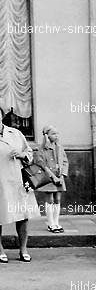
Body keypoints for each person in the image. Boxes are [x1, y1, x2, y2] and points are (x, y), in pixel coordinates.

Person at [0, 108, 40, 262]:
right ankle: (0, 250)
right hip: (1, 181)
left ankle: (23, 249)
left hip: (18, 180)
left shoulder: (15, 134)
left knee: (23, 215)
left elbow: (29, 153)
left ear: (2, 116)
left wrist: (23, 155)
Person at [35, 125, 69, 233]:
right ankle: (50, 223)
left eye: (57, 133)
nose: (56, 136)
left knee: (58, 199)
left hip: (59, 177)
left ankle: (56, 222)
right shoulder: (41, 150)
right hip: (48, 178)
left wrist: (62, 175)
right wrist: (53, 177)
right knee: (50, 199)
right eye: (53, 134)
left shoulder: (60, 148)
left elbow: (65, 162)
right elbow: (41, 164)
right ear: (46, 135)